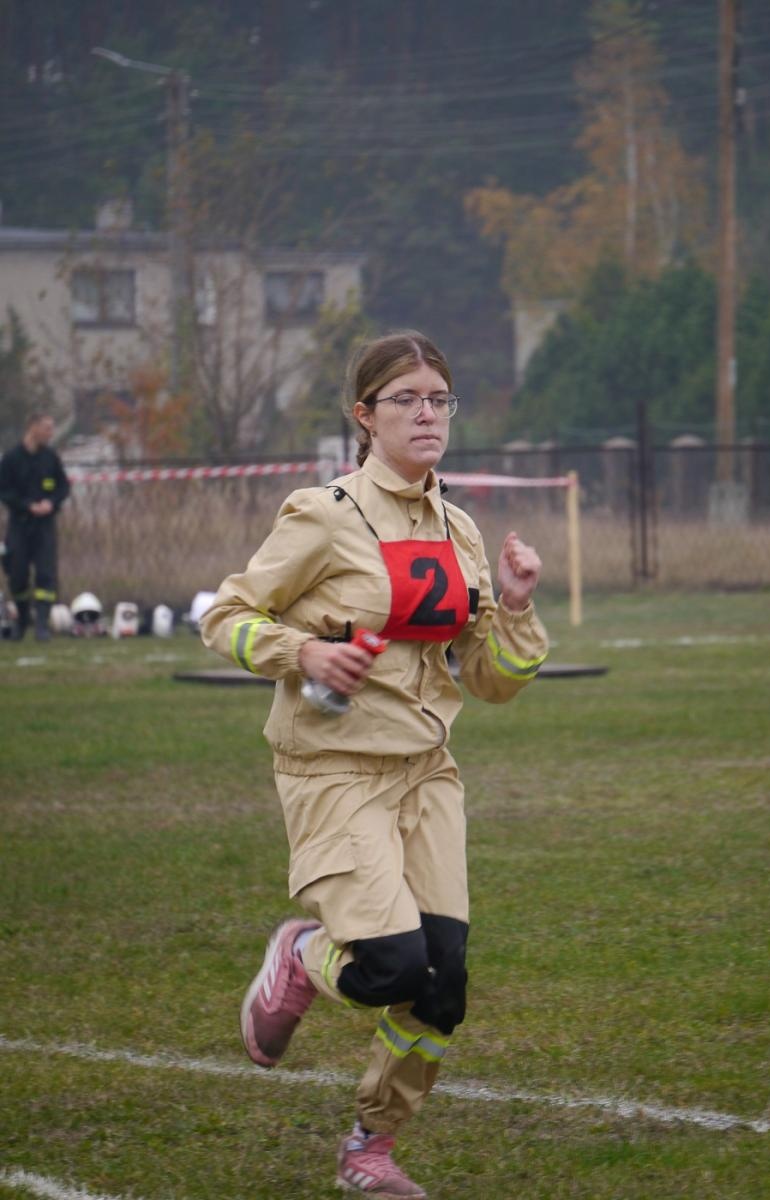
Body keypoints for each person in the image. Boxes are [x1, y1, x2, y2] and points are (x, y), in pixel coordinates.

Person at [201, 330, 548, 1198]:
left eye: (440, 398)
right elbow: (225, 616)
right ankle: (303, 954)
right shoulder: (323, 514)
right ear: (364, 416)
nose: (429, 413)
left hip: (427, 774)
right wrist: (302, 656)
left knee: (444, 987)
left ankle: (370, 1148)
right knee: (390, 968)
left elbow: (489, 681)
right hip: (334, 771)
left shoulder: (461, 529)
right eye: (408, 399)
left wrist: (513, 608)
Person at [0, 412, 70, 641]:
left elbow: (63, 487)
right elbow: (4, 491)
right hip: (20, 525)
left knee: (45, 575)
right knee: (17, 574)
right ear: (32, 427)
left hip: (44, 526)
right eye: (46, 428)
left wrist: (52, 502)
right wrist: (26, 506)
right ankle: (21, 619)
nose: (50, 433)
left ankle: (42, 624)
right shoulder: (11, 459)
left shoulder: (50, 458)